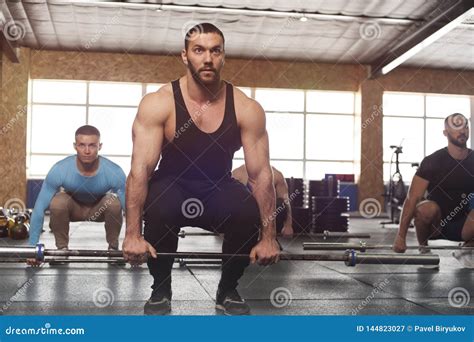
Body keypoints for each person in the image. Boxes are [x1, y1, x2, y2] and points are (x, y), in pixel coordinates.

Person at [122, 23, 280, 316]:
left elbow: (260, 176)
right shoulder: (159, 103)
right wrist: (132, 233)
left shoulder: (246, 108)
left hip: (217, 186)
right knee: (159, 204)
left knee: (246, 210)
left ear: (223, 57)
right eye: (199, 50)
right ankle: (161, 288)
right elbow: (140, 170)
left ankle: (228, 288)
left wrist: (268, 236)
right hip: (172, 184)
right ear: (185, 56)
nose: (207, 58)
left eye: (215, 51)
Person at [28, 125, 126, 259]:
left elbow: (130, 208)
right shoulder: (60, 169)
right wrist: (32, 248)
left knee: (114, 202)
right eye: (82, 145)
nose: (87, 151)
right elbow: (39, 208)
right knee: (58, 201)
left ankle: (113, 248)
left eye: (92, 145)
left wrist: (136, 239)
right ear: (75, 146)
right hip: (73, 209)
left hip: (99, 209)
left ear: (100, 146)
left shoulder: (114, 171)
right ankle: (62, 249)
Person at [393, 113, 474, 268]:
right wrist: (401, 236)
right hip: (436, 225)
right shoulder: (433, 161)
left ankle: (467, 248)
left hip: (464, 225)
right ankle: (424, 250)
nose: (462, 131)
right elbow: (412, 198)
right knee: (425, 208)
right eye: (456, 127)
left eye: (465, 126)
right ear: (445, 133)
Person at [232, 164, 294, 237]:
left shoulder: (277, 175)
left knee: (280, 203)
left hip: (267, 216)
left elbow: (286, 201)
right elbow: (229, 201)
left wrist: (288, 225)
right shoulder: (238, 173)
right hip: (245, 218)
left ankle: (268, 237)